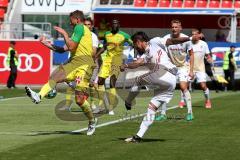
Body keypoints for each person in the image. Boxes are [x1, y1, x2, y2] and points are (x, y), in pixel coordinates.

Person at [25, 10, 97, 136]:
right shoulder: (77, 30)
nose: (70, 22)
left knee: (79, 100)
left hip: (85, 64)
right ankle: (39, 96)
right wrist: (46, 44)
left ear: (77, 19)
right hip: (74, 62)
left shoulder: (80, 27)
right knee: (54, 76)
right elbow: (62, 50)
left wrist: (64, 33)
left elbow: (71, 47)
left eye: (71, 19)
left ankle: (92, 120)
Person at [121, 31, 183, 143]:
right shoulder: (146, 54)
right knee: (151, 108)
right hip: (171, 82)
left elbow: (171, 41)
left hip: (164, 73)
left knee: (138, 79)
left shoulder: (155, 42)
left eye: (135, 45)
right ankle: (138, 136)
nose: (135, 48)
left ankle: (128, 101)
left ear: (139, 42)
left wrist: (189, 38)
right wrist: (126, 65)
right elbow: (137, 63)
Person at [155, 19, 194, 121]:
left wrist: (191, 70)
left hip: (182, 67)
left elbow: (191, 54)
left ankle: (190, 112)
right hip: (170, 67)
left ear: (180, 28)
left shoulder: (186, 39)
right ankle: (163, 114)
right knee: (165, 87)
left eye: (176, 27)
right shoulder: (166, 38)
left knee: (182, 86)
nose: (174, 29)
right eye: (172, 27)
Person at [95, 19, 132, 115]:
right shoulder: (107, 34)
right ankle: (103, 104)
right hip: (107, 59)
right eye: (113, 24)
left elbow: (133, 44)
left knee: (112, 82)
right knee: (100, 81)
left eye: (116, 24)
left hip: (117, 59)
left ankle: (111, 108)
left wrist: (136, 55)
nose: (114, 25)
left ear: (119, 25)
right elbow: (104, 46)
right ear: (111, 26)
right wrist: (96, 55)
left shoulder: (124, 35)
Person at [190, 29, 212, 108]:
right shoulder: (188, 43)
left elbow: (207, 55)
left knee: (203, 86)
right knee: (184, 85)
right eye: (192, 34)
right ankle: (182, 101)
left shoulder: (204, 44)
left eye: (196, 34)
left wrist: (209, 58)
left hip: (200, 68)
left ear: (199, 35)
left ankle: (208, 100)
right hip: (190, 68)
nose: (194, 35)